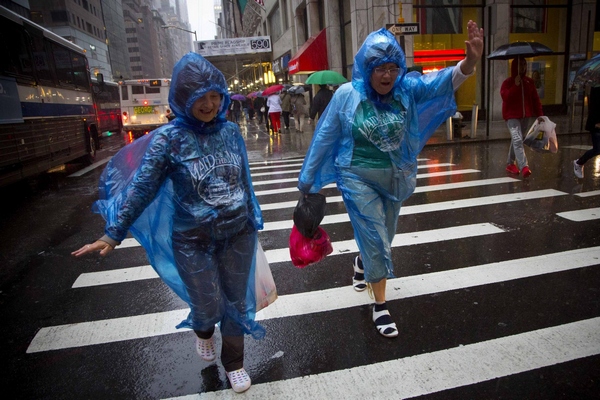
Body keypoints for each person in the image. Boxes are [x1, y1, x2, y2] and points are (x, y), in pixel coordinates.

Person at [71, 52, 264, 394]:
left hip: (238, 233)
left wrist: (253, 216)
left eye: (214, 95)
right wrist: (112, 233)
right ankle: (203, 330)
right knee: (207, 305)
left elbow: (243, 179)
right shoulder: (168, 139)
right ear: (182, 99)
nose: (209, 104)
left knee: (236, 302)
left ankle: (234, 363)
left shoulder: (232, 131)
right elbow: (142, 188)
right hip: (193, 238)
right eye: (199, 97)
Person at [297, 21, 483, 338]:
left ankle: (362, 263)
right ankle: (380, 304)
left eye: (392, 67)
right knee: (375, 236)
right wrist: (307, 182)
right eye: (379, 68)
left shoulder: (406, 90)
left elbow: (438, 83)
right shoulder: (346, 96)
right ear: (366, 68)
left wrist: (470, 62)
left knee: (386, 235)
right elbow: (325, 137)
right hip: (356, 175)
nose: (386, 75)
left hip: (395, 178)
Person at [501, 57, 544, 178]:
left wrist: (540, 115)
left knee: (517, 140)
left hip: (525, 117)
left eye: (524, 65)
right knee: (518, 139)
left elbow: (535, 100)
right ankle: (524, 166)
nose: (523, 68)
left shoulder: (529, 82)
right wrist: (515, 85)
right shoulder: (508, 83)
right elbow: (506, 97)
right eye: (520, 65)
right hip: (511, 117)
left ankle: (510, 163)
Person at [574, 85, 600, 178]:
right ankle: (579, 163)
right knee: (597, 149)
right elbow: (594, 107)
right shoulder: (596, 89)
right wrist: (597, 122)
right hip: (597, 124)